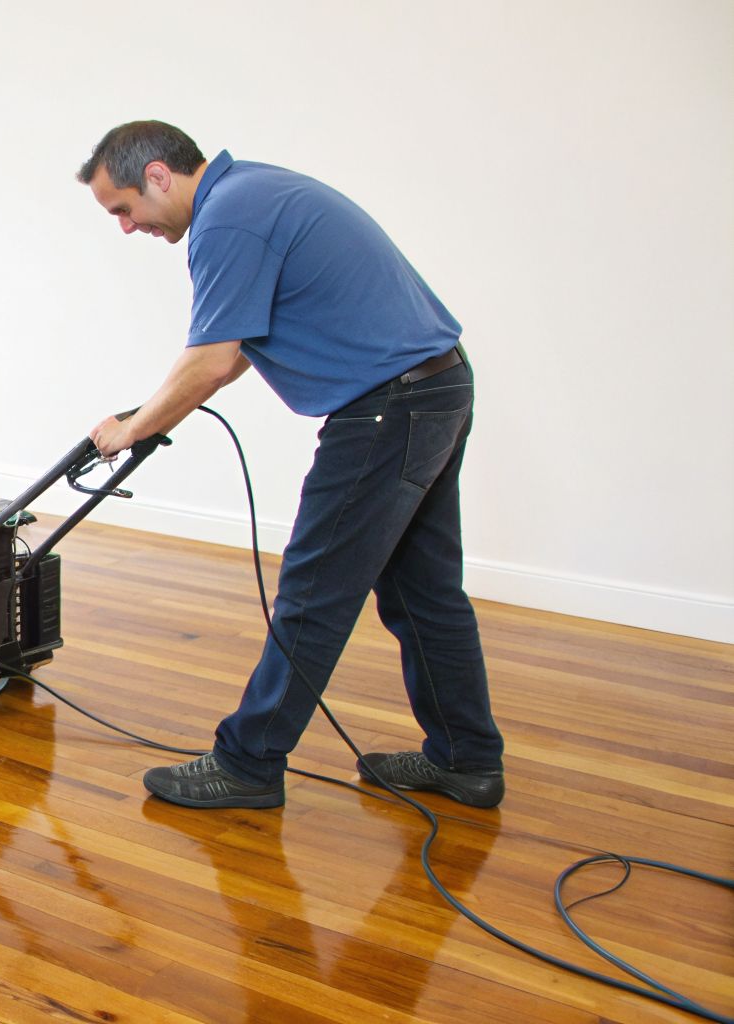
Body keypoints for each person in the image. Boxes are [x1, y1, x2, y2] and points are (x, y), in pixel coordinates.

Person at [77, 121, 505, 810]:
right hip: (437, 385)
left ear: (157, 174)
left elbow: (213, 360)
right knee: (423, 591)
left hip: (389, 406)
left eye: (122, 209)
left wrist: (132, 428)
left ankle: (247, 764)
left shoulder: (227, 221)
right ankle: (468, 760)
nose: (127, 228)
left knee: (314, 590)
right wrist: (153, 416)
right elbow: (237, 345)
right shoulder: (253, 192)